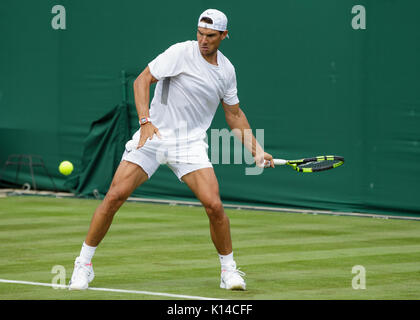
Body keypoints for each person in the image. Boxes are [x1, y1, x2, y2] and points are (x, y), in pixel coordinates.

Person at [69, 8, 274, 291]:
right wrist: (144, 122)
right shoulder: (179, 52)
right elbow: (142, 81)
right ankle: (83, 265)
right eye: (200, 34)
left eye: (211, 36)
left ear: (224, 35)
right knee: (115, 196)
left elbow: (234, 115)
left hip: (189, 144)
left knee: (214, 206)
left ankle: (229, 272)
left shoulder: (226, 71)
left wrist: (257, 150)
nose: (204, 40)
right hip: (154, 135)